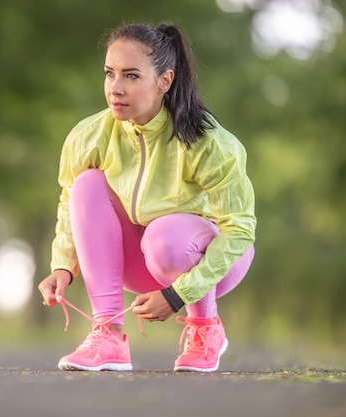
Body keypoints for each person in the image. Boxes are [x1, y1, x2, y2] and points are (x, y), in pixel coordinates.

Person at [37, 22, 256, 373]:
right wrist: (63, 266)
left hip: (207, 261)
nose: (116, 88)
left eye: (132, 76)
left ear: (164, 81)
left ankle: (206, 328)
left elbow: (240, 230)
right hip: (139, 263)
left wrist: (177, 295)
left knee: (164, 237)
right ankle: (107, 334)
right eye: (110, 74)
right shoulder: (89, 135)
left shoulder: (209, 143)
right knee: (86, 184)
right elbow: (69, 205)